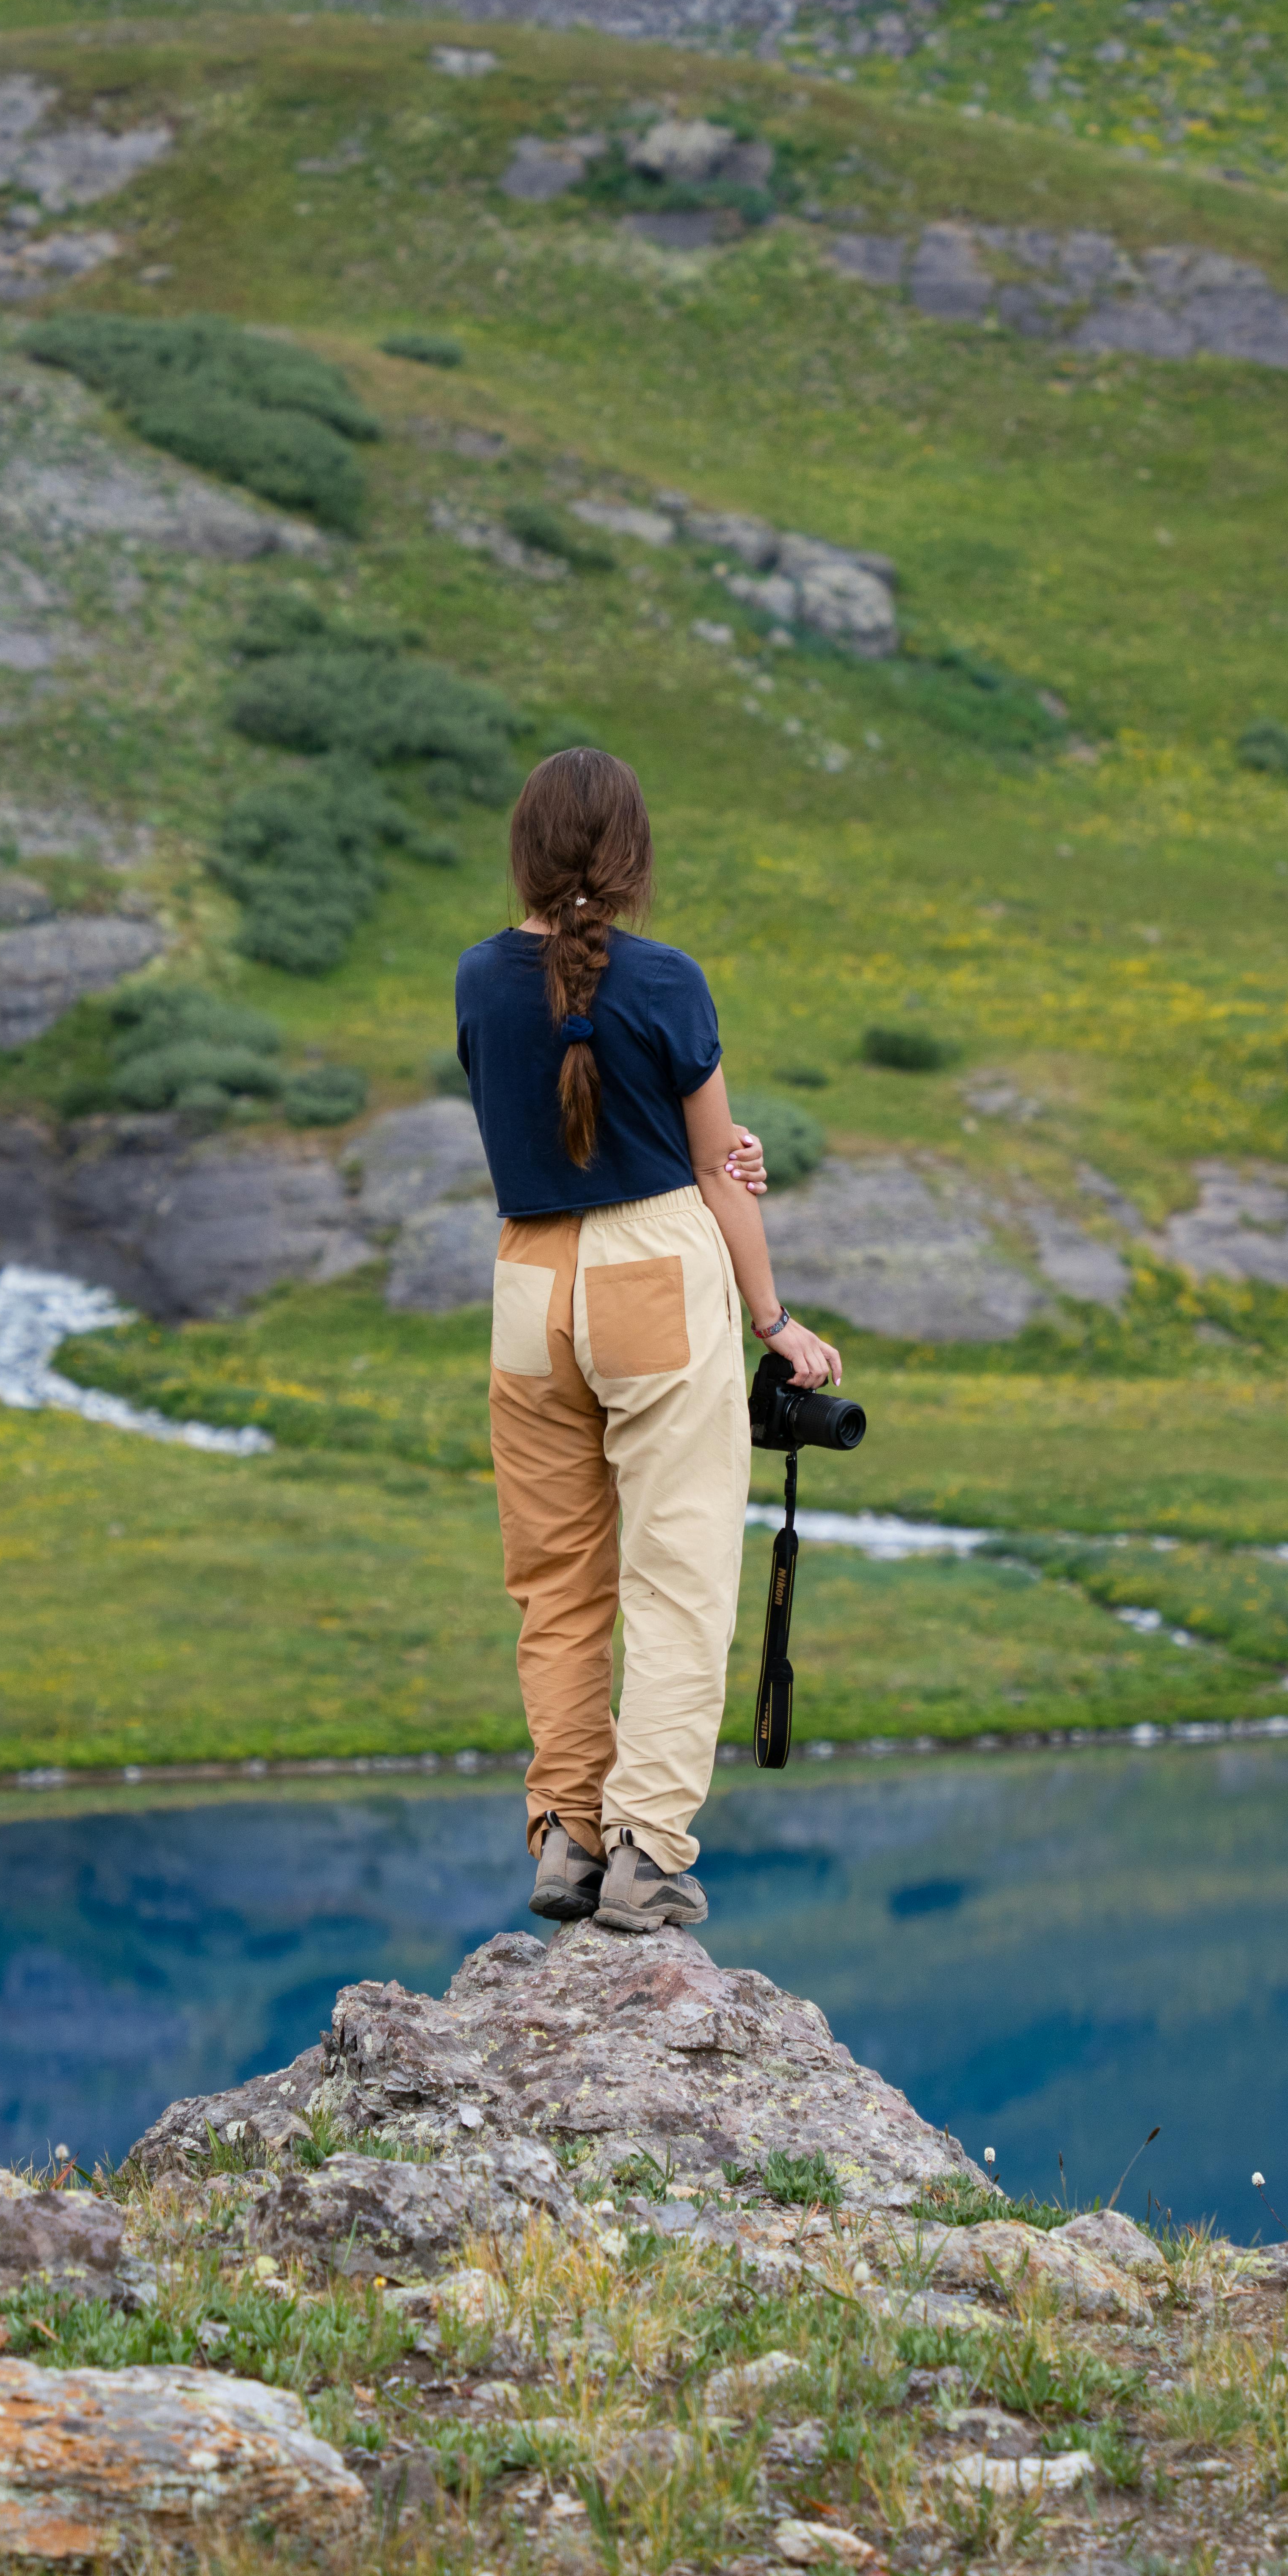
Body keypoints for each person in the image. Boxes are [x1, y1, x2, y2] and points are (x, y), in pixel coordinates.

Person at [456, 747, 843, 1934]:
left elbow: (556, 1120)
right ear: (630, 858)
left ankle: (567, 1839)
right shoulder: (668, 982)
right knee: (677, 1576)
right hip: (656, 1269)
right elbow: (726, 1178)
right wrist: (774, 1323)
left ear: (525, 850)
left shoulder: (478, 979)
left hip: (530, 1283)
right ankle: (647, 1852)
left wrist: (706, 1158)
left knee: (557, 1586)